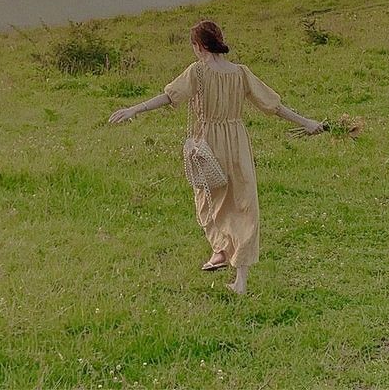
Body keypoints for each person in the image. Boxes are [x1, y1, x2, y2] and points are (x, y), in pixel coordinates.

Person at [107, 19, 325, 294]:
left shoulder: (198, 72)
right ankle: (238, 277)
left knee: (207, 199)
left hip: (208, 142)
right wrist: (306, 122)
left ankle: (221, 249)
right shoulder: (241, 73)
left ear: (198, 47)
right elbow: (273, 106)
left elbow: (169, 96)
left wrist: (134, 109)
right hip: (237, 142)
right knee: (244, 204)